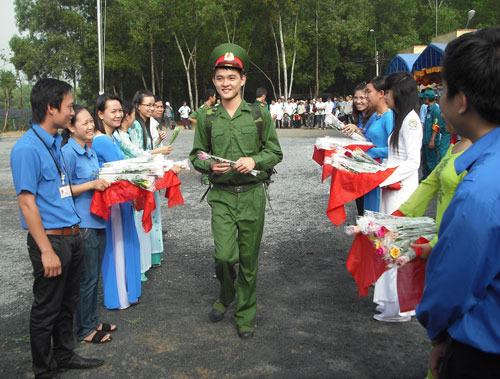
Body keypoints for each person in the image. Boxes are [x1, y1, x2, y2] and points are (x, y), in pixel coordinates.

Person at [416, 27, 500, 379]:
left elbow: (452, 283)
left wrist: (438, 334)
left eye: (444, 89)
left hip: (482, 354)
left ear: (461, 101)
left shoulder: (478, 191)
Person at [10, 78, 104, 378]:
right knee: (46, 309)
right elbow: (27, 203)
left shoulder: (54, 145)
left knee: (67, 303)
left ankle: (64, 355)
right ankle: (44, 368)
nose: (72, 112)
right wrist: (46, 251)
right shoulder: (27, 149)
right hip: (50, 241)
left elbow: (61, 192)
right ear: (51, 108)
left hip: (71, 236)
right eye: (68, 106)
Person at [189, 43, 283, 339]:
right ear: (214, 82)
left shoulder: (258, 114)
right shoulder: (208, 117)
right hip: (223, 196)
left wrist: (255, 159)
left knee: (249, 259)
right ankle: (225, 294)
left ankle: (245, 314)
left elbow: (274, 151)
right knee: (225, 257)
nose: (225, 83)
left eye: (231, 77)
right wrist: (208, 165)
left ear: (243, 79)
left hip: (253, 194)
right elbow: (197, 154)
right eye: (220, 78)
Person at [61, 105, 116, 343]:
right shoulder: (68, 153)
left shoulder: (89, 150)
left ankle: (92, 320)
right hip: (83, 224)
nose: (91, 125)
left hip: (98, 220)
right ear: (71, 127)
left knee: (94, 276)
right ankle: (84, 330)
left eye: (91, 122)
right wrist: (92, 185)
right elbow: (62, 191)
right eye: (84, 123)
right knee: (88, 278)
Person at [372, 72, 422, 322]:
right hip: (392, 187)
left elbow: (413, 161)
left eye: (389, 91)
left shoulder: (411, 122)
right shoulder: (401, 120)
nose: (386, 95)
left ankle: (401, 306)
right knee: (387, 244)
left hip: (401, 191)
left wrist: (386, 176)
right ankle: (390, 300)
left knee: (398, 245)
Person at [92, 93, 141, 310]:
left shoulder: (112, 137)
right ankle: (120, 297)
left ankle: (124, 294)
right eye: (113, 111)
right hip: (113, 202)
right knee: (118, 246)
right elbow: (123, 168)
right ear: (100, 114)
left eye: (120, 110)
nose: (119, 114)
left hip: (119, 199)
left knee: (121, 244)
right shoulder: (102, 140)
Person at [130, 90, 168, 268]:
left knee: (153, 214)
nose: (152, 108)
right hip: (140, 176)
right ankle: (143, 261)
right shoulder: (136, 125)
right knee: (143, 216)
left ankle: (153, 254)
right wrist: (159, 151)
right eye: (148, 105)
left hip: (150, 173)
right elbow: (137, 153)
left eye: (154, 105)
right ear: (137, 106)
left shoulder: (147, 123)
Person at [342, 82, 375, 215]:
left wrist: (357, 130)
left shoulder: (376, 117)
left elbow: (371, 142)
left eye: (362, 98)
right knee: (360, 206)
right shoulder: (360, 116)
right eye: (356, 98)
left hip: (370, 167)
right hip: (360, 167)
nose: (358, 101)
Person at [421, 89, 443, 180]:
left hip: (431, 141)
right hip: (426, 140)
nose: (423, 100)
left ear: (427, 99)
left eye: (424, 98)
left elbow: (436, 126)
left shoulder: (435, 110)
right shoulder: (429, 109)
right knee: (425, 160)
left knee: (431, 161)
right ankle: (425, 177)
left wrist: (432, 140)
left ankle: (433, 179)